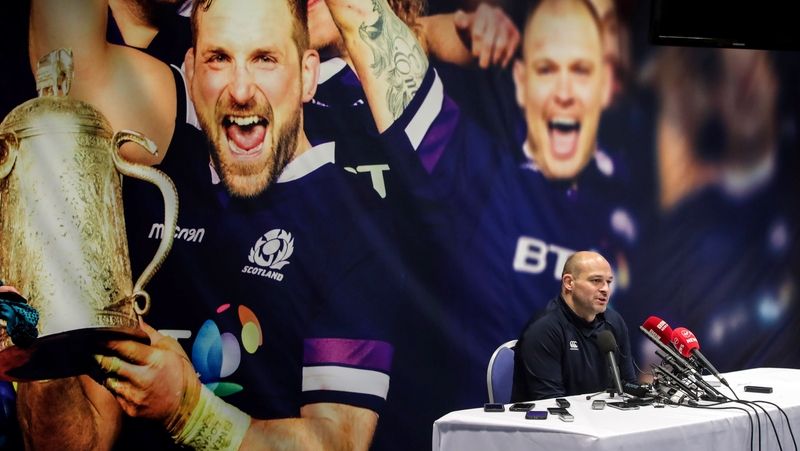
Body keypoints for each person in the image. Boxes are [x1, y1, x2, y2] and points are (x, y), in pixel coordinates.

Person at [18, 0, 403, 450]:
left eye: (265, 59)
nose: (241, 90)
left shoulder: (358, 226)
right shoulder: (146, 192)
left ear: (307, 75)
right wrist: (38, 331)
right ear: (191, 72)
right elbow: (78, 443)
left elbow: (337, 444)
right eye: (218, 59)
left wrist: (189, 411)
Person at [332, 0, 638, 406]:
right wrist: (435, 32)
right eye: (547, 69)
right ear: (522, 79)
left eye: (580, 70)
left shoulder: (635, 219)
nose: (564, 92)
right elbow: (361, 19)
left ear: (606, 84)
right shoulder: (470, 168)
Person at [510, 251, 635, 401]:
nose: (605, 289)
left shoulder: (614, 322)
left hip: (602, 418)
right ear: (569, 282)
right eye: (596, 280)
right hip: (553, 420)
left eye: (608, 282)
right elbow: (553, 405)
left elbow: (629, 387)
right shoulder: (543, 329)